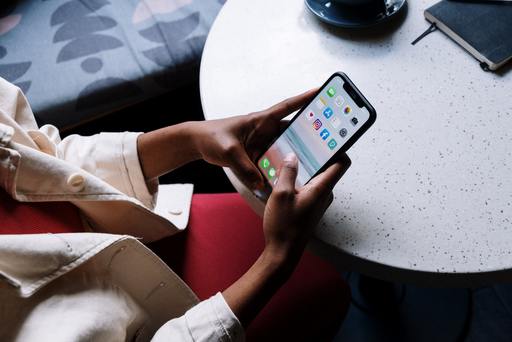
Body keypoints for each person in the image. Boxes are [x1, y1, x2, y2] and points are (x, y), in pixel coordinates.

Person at [0, 77, 351, 341]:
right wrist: (277, 259)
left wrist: (191, 138)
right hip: (158, 327)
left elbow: (43, 155)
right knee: (326, 285)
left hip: (126, 228)